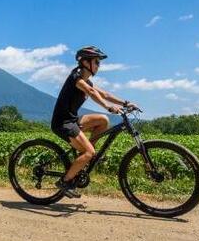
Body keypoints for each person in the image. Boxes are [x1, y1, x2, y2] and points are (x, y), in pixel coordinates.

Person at [51, 46, 139, 198]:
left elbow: (104, 93)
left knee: (103, 120)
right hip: (63, 123)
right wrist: (108, 107)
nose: (99, 65)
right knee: (89, 152)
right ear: (85, 62)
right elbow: (91, 93)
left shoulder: (87, 80)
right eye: (97, 62)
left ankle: (85, 154)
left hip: (73, 119)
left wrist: (125, 103)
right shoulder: (76, 77)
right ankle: (65, 182)